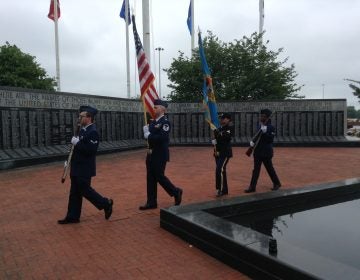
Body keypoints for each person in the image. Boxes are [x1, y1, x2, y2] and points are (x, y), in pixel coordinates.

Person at [58, 105, 113, 224]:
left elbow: (90, 151)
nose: (79, 118)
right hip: (76, 167)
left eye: (81, 116)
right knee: (74, 193)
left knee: (85, 191)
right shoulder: (81, 130)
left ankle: (106, 203)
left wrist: (77, 143)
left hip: (84, 168)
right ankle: (72, 216)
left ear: (89, 117)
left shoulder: (92, 132)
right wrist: (69, 160)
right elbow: (74, 149)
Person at [139, 99, 183, 210]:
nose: (154, 108)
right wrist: (146, 132)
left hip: (160, 154)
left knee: (159, 176)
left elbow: (162, 138)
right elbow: (151, 138)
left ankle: (176, 191)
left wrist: (148, 135)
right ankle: (151, 202)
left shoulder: (165, 122)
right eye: (154, 107)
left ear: (163, 109)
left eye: (156, 107)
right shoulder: (153, 122)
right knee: (150, 178)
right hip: (150, 154)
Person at [244, 109, 281, 193]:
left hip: (266, 152)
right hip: (257, 151)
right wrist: (252, 143)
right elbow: (257, 137)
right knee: (256, 170)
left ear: (267, 117)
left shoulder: (271, 127)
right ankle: (252, 187)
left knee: (269, 169)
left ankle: (277, 183)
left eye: (263, 116)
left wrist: (265, 133)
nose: (261, 117)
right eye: (261, 115)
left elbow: (270, 140)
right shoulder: (259, 126)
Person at [212, 113, 234, 197]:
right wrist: (214, 141)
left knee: (219, 170)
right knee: (221, 171)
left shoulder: (230, 127)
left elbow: (226, 136)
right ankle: (224, 190)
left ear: (228, 119)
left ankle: (220, 189)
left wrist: (217, 132)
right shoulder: (219, 128)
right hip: (217, 152)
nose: (221, 120)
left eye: (223, 118)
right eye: (220, 118)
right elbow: (217, 137)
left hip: (225, 153)